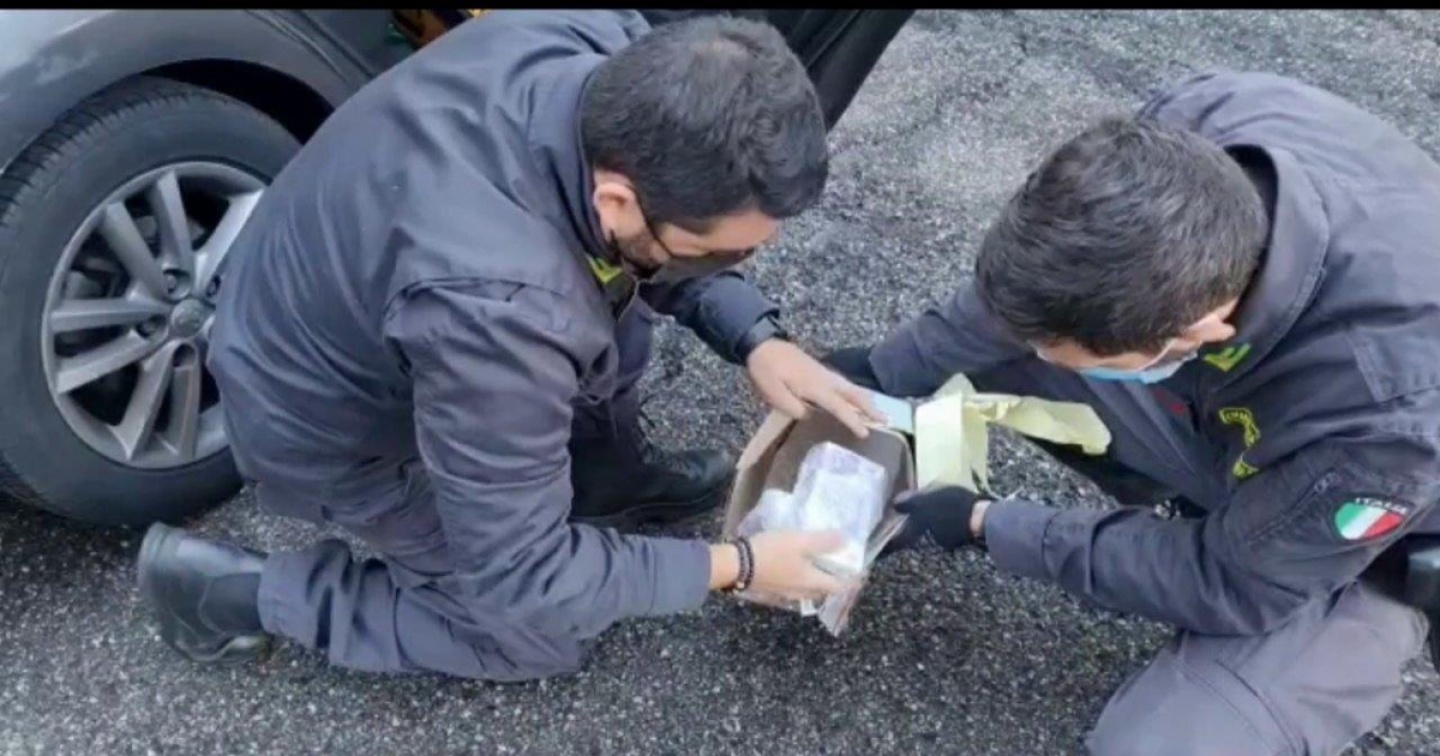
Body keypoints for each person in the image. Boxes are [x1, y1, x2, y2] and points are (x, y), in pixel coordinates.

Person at [136, 11, 886, 682]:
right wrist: (738, 566)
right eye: (717, 254)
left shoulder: (609, 47)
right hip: (320, 416)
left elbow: (641, 247)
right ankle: (237, 592)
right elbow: (524, 579)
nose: (732, 263)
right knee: (533, 636)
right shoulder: (499, 313)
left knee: (615, 313)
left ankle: (604, 481)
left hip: (347, 279)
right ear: (617, 200)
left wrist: (755, 337)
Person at [828, 71, 1440, 755]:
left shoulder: (1390, 416)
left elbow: (1230, 581)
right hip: (1256, 422)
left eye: (1075, 355)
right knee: (991, 350)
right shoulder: (1197, 128)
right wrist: (882, 373)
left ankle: (1341, 643)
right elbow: (1036, 295)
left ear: (1197, 332)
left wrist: (986, 522)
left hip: (1362, 544)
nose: (1043, 360)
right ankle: (1167, 497)